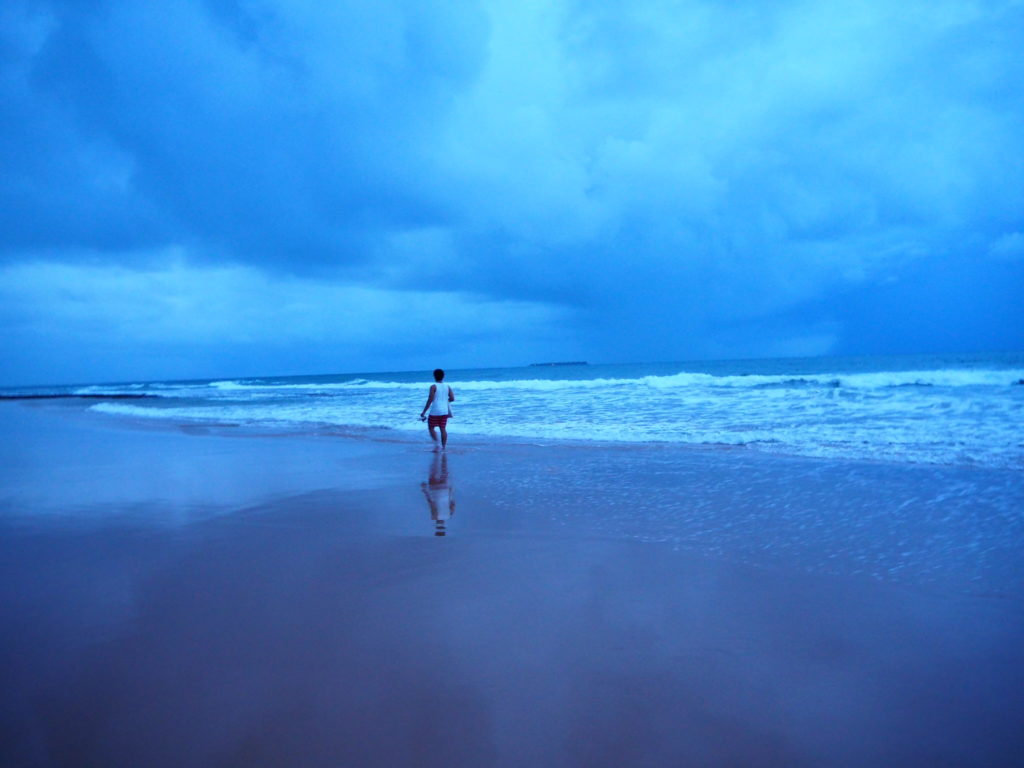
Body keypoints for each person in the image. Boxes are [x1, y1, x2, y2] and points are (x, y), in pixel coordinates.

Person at [419, 368, 455, 449]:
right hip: (444, 411)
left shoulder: (433, 386)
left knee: (431, 428)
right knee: (443, 429)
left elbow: (430, 399)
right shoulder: (447, 386)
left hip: (435, 411)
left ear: (434, 376)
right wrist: (445, 401)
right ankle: (444, 447)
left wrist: (424, 412)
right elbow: (452, 398)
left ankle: (437, 443)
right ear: (443, 376)